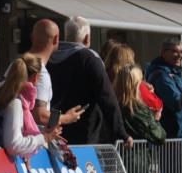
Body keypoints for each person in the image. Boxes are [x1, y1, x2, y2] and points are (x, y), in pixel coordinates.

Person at [46, 16, 130, 146]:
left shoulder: (50, 57)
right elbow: (106, 96)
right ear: (87, 38)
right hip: (85, 133)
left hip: (54, 131)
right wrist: (121, 132)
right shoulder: (89, 58)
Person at [0, 54, 62, 159]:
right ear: (35, 78)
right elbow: (14, 145)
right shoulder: (15, 102)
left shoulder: (1, 93)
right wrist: (44, 137)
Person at [114, 64, 165, 173]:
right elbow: (159, 136)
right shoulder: (137, 108)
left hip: (119, 160)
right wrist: (156, 119)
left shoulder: (113, 103)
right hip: (135, 162)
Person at [105, 43, 162, 120]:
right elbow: (157, 105)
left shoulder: (103, 78)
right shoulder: (134, 82)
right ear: (129, 60)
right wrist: (151, 92)